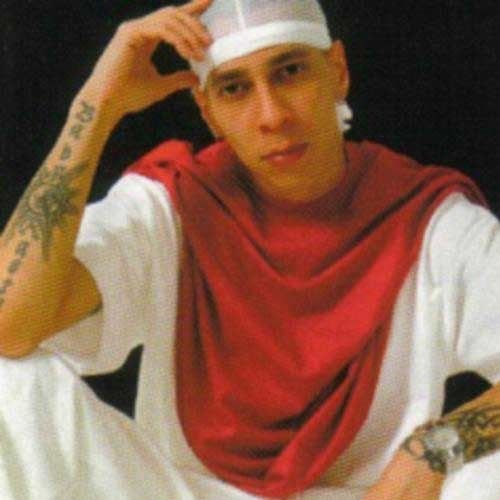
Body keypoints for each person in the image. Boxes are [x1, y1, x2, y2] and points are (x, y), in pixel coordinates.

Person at [0, 0, 499, 498]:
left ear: (337, 72)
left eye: (290, 72)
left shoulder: (427, 216)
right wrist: (94, 109)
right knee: (10, 381)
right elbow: (8, 324)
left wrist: (436, 448)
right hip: (186, 493)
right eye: (235, 89)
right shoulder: (173, 202)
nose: (272, 115)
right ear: (208, 111)